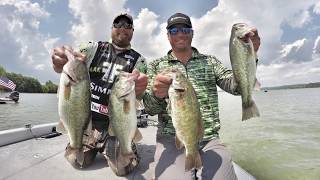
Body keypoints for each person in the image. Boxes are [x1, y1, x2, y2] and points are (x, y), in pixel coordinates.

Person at [142, 13, 261, 180]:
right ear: (168, 36)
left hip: (209, 139)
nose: (180, 33)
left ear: (192, 33)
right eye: (174, 30)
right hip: (171, 139)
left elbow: (236, 88)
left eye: (185, 29)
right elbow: (149, 108)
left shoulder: (210, 62)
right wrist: (156, 95)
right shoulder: (155, 66)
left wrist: (250, 56)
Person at [51, 13, 148, 176]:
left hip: (115, 125)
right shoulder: (92, 48)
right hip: (89, 123)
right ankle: (90, 143)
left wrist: (140, 89)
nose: (122, 28)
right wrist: (60, 62)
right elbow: (68, 64)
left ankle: (120, 144)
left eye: (127, 25)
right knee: (76, 160)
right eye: (118, 24)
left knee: (123, 169)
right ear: (111, 28)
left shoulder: (140, 61)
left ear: (132, 31)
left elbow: (138, 97)